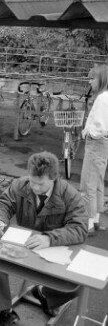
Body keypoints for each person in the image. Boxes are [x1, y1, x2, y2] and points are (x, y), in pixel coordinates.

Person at [0, 151, 88, 326]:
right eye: (32, 181)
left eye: (40, 184)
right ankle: (5, 311)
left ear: (54, 178)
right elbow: (3, 204)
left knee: (79, 283)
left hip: (55, 250)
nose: (35, 187)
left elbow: (80, 228)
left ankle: (45, 294)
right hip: (24, 246)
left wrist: (49, 238)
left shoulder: (70, 195)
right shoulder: (20, 185)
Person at [80, 62, 108, 235]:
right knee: (97, 183)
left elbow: (100, 126)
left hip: (96, 142)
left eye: (92, 78)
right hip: (103, 144)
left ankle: (88, 223)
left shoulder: (102, 98)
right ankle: (96, 220)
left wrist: (87, 132)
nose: (89, 82)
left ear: (101, 79)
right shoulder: (105, 96)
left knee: (87, 185)